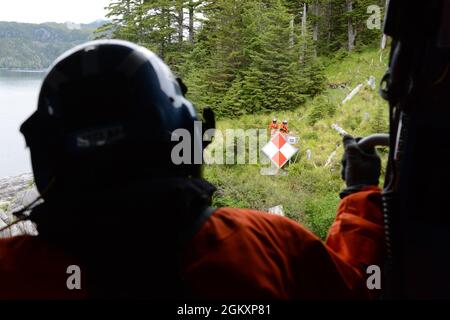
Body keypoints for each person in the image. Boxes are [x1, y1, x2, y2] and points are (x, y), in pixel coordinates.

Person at [0, 40, 384, 299]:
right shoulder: (268, 244)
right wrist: (360, 192)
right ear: (186, 139)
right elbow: (359, 287)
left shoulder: (12, 271)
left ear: (46, 157)